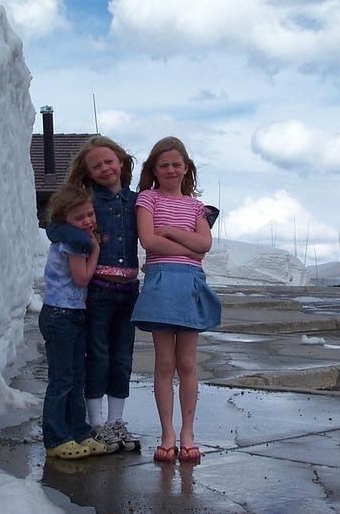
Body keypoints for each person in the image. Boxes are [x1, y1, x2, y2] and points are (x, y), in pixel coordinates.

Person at [130, 136, 221, 463]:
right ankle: (168, 432)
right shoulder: (147, 198)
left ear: (186, 169)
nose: (170, 169)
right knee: (165, 362)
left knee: (187, 363)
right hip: (161, 282)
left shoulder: (198, 207)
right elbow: (148, 240)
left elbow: (206, 244)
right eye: (164, 164)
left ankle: (188, 433)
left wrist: (169, 233)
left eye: (176, 164)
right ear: (154, 168)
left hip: (190, 284)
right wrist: (190, 247)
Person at [47, 136, 141, 453]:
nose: (104, 168)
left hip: (128, 291)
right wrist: (84, 241)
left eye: (109, 161)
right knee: (98, 356)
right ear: (87, 174)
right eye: (96, 165)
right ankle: (96, 424)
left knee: (122, 358)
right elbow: (57, 228)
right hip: (98, 291)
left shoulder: (137, 202)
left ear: (121, 161)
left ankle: (116, 421)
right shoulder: (89, 203)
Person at [39, 185, 109, 460]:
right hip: (60, 316)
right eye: (79, 218)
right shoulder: (76, 243)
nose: (88, 221)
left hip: (72, 315)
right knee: (62, 380)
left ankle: (78, 431)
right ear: (64, 219)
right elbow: (82, 278)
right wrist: (96, 251)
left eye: (90, 214)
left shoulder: (75, 237)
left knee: (76, 378)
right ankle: (56, 438)